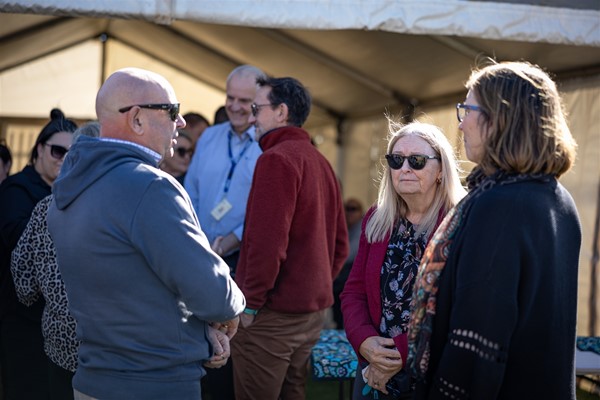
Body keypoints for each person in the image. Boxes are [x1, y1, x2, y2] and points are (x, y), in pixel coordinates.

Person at [46, 67, 245, 400]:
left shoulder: (70, 188)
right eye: (172, 111)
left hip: (93, 379)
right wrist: (232, 307)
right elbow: (211, 291)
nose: (181, 124)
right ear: (136, 119)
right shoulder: (149, 186)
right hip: (153, 383)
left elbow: (139, 288)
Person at [407, 61, 581, 399]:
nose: (460, 126)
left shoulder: (500, 206)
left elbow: (477, 346)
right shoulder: (558, 199)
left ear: (502, 119)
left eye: (467, 109)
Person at [232, 76, 349, 400]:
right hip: (310, 315)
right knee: (293, 391)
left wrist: (250, 306)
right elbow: (340, 244)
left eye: (257, 108)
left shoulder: (277, 159)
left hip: (272, 317)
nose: (252, 117)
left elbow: (266, 246)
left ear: (281, 112)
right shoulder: (320, 161)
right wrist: (315, 287)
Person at [341, 121, 466, 399]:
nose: (405, 168)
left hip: (431, 372)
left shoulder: (461, 224)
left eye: (417, 161)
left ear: (440, 170)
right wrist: (365, 342)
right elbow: (354, 292)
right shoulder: (377, 220)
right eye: (396, 160)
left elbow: (458, 307)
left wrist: (399, 352)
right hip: (372, 363)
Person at [184, 64, 265, 400]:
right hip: (200, 254)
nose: (234, 106)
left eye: (244, 100)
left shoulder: (267, 141)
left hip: (240, 261)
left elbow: (271, 208)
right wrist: (196, 236)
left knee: (232, 352)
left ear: (260, 100)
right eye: (230, 97)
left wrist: (235, 236)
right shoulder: (211, 137)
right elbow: (192, 191)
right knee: (199, 345)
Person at [10, 121, 100, 400]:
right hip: (108, 349)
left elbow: (22, 277)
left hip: (58, 342)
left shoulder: (46, 206)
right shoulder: (117, 206)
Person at [0, 108, 76, 400]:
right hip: (22, 318)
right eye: (58, 151)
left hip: (56, 325)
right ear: (39, 149)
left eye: (72, 153)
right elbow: (23, 241)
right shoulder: (16, 189)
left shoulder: (67, 194)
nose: (64, 159)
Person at [332, 197, 364, 329]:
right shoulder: (343, 226)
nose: (348, 213)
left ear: (360, 212)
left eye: (353, 209)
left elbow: (349, 253)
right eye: (346, 209)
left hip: (351, 276)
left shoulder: (362, 226)